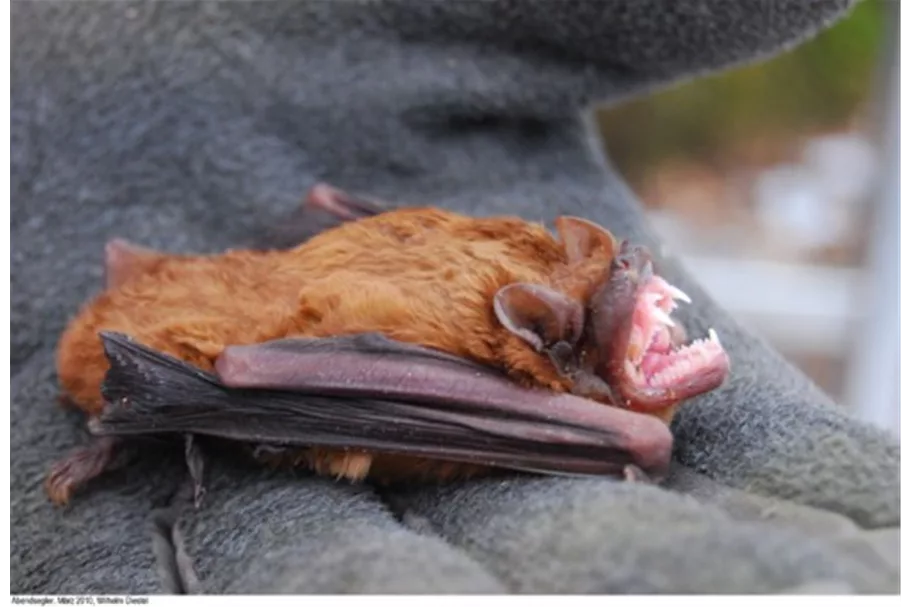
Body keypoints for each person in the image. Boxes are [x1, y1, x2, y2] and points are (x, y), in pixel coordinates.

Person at [8, 0, 901, 593]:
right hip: (177, 362)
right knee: (635, 437)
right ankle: (130, 430)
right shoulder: (485, 352)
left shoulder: (512, 273)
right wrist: (622, 427)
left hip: (243, 307)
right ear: (539, 334)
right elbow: (247, 365)